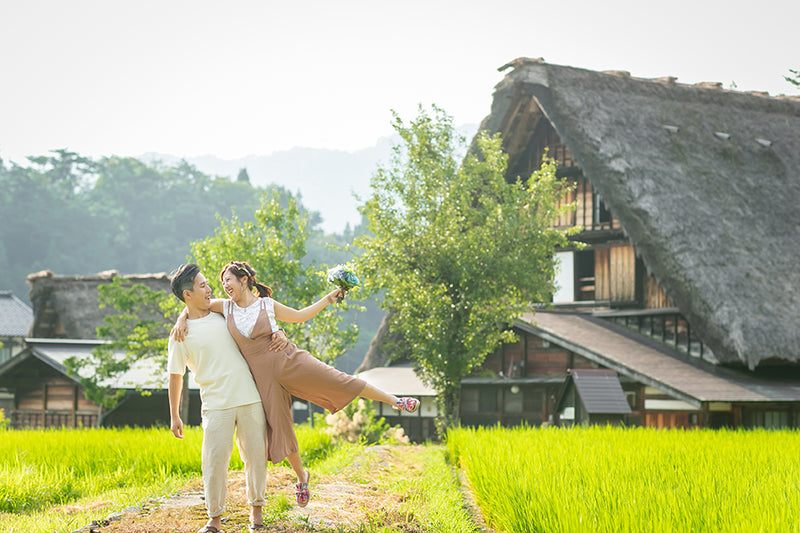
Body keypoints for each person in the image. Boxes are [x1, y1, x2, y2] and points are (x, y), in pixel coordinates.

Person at [173, 260, 419, 507]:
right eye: (221, 281)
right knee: (281, 429)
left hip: (289, 361)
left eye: (228, 280)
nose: (223, 286)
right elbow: (194, 306)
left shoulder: (266, 305)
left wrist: (328, 299)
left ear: (244, 280)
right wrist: (180, 320)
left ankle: (395, 400)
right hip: (264, 381)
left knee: (339, 379)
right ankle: (302, 477)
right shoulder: (225, 307)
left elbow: (301, 316)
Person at [167, 263, 286, 533]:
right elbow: (176, 375)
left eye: (209, 284)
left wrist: (278, 330)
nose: (210, 289)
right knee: (214, 461)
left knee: (255, 457)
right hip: (215, 404)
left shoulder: (225, 315)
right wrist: (175, 415)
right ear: (188, 294)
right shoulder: (180, 335)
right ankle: (214, 519)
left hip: (249, 397)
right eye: (203, 286)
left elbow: (257, 318)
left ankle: (256, 513)